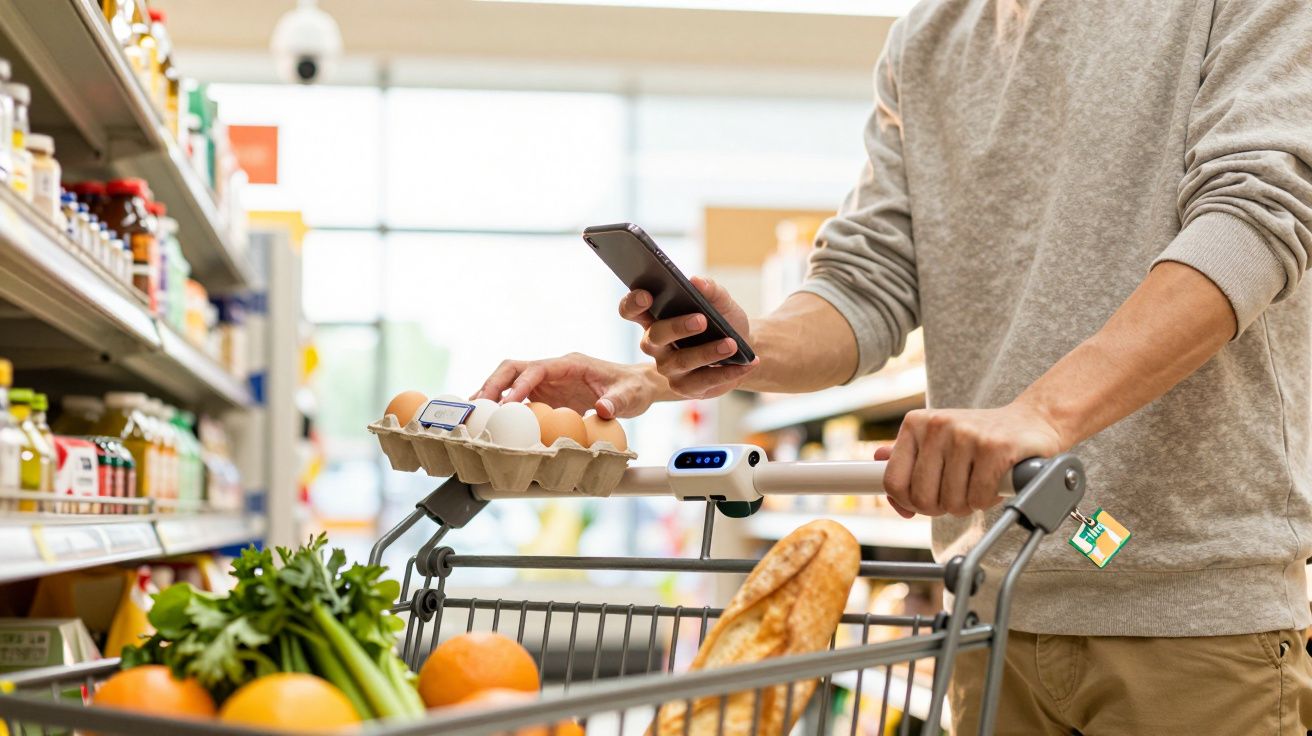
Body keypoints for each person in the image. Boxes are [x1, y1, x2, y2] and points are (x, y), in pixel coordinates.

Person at [476, 0, 1312, 732]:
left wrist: (1041, 414)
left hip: (1191, 613)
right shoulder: (930, 37)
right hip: (990, 606)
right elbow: (866, 281)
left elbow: (1257, 217)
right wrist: (736, 348)